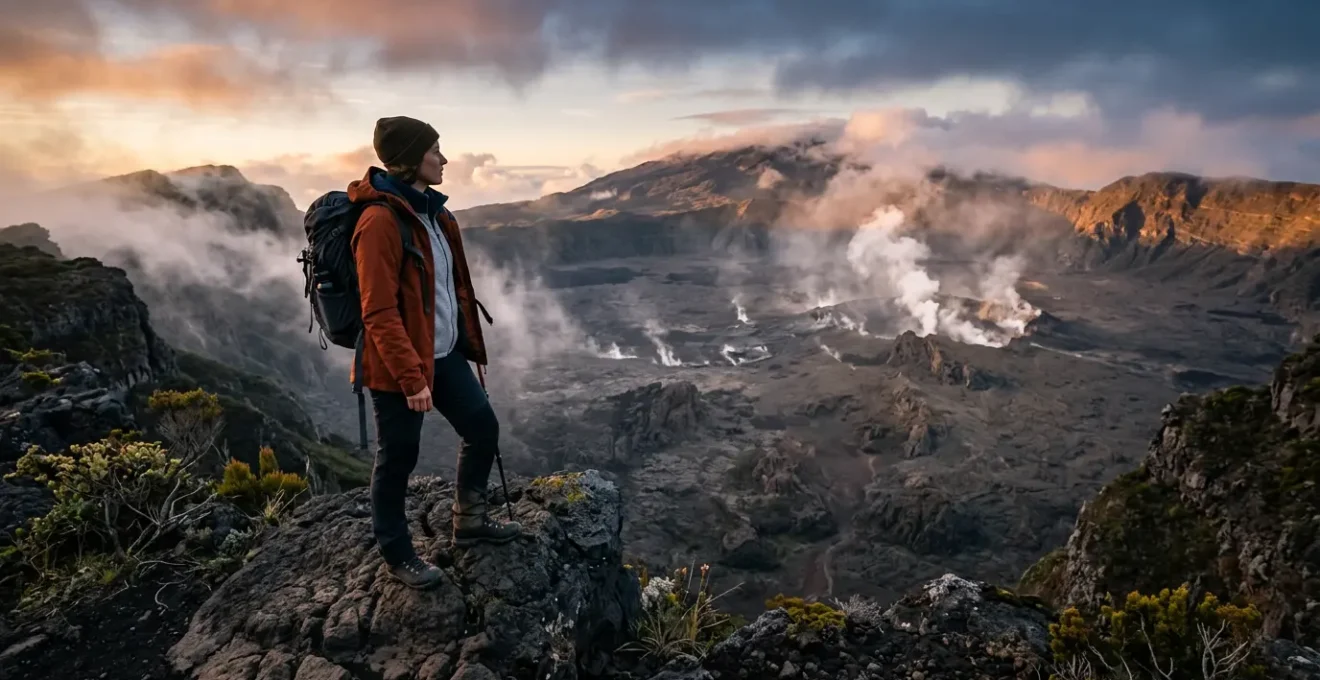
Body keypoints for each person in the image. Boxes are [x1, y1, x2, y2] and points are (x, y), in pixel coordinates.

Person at [346, 115, 522, 589]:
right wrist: (411, 378)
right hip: (398, 365)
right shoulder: (379, 222)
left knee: (482, 426)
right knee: (399, 456)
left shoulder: (438, 216)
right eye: (435, 150)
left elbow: (453, 290)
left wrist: (466, 342)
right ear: (409, 159)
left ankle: (470, 519)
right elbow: (378, 310)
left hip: (443, 355)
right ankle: (397, 553)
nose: (444, 159)